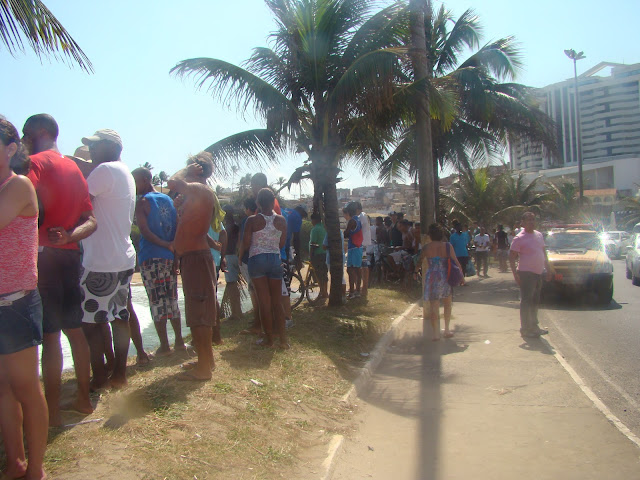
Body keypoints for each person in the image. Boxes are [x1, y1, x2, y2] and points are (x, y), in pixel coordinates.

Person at [22, 114, 95, 425]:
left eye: (25, 134)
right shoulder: (74, 169)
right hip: (68, 255)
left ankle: (51, 412)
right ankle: (83, 399)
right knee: (75, 331)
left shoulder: (36, 163)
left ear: (38, 133)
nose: (23, 140)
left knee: (50, 337)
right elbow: (91, 220)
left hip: (44, 256)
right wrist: (69, 235)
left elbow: (24, 198)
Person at [0, 117, 48, 480]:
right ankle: (15, 462)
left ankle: (36, 469)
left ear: (11, 148)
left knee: (26, 390)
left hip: (14, 304)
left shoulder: (18, 187)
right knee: (2, 389)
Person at [79, 129, 136, 390]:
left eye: (94, 145)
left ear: (109, 146)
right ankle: (119, 374)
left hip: (100, 260)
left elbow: (80, 203)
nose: (91, 150)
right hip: (122, 257)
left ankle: (101, 376)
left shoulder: (103, 172)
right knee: (120, 317)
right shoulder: (123, 171)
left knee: (91, 323)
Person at [168, 163, 217, 381]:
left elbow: (173, 182)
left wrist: (185, 170)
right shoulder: (196, 194)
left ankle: (204, 367)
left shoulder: (199, 190)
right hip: (193, 258)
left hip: (196, 259)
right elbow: (189, 226)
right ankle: (206, 361)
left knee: (199, 316)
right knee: (198, 312)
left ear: (197, 171)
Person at [131, 167, 186, 357]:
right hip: (169, 257)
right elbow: (178, 226)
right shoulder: (168, 201)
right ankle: (179, 341)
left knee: (156, 301)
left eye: (136, 181)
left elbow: (145, 231)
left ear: (146, 180)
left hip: (151, 256)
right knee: (171, 299)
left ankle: (164, 346)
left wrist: (165, 244)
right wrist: (175, 253)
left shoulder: (143, 202)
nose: (134, 186)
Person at [238, 188, 289, 349]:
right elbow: (281, 244)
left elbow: (246, 243)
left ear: (258, 203)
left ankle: (268, 339)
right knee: (276, 302)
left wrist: (240, 257)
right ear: (273, 201)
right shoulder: (281, 220)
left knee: (264, 302)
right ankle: (282, 340)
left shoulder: (252, 221)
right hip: (275, 259)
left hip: (257, 259)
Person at [509, 212, 551, 338]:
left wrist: (548, 270)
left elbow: (543, 253)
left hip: (538, 273)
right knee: (527, 301)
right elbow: (511, 257)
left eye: (533, 220)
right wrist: (515, 275)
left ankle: (534, 326)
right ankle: (525, 328)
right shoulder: (519, 238)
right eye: (528, 220)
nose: (531, 222)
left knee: (535, 301)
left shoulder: (538, 235)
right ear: (523, 222)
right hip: (526, 273)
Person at [421, 223, 464, 341]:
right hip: (445, 277)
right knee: (447, 304)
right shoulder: (447, 246)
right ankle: (446, 329)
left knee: (434, 306)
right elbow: (456, 261)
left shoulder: (426, 248)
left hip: (432, 278)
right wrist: (461, 276)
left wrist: (415, 272)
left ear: (430, 235)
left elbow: (419, 261)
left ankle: (435, 334)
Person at [238, 197, 262, 335]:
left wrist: (240, 257)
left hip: (249, 259)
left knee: (253, 291)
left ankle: (257, 322)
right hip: (262, 258)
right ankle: (259, 321)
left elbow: (244, 241)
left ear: (248, 209)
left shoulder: (247, 221)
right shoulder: (262, 219)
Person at [222, 205, 243, 321]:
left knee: (231, 285)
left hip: (229, 256)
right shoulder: (236, 226)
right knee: (234, 285)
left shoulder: (226, 227)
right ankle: (238, 311)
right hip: (237, 255)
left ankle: (236, 312)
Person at [343, 204, 363, 298]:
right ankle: (357, 290)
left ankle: (352, 292)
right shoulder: (358, 220)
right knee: (357, 270)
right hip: (358, 247)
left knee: (350, 270)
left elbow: (346, 233)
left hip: (353, 247)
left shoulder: (352, 221)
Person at [353, 202, 371, 298]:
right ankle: (363, 288)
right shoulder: (364, 215)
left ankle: (362, 288)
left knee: (362, 266)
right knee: (363, 265)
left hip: (361, 245)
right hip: (364, 244)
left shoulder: (360, 217)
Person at [309, 212, 328, 299]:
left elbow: (313, 243)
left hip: (317, 254)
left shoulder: (315, 229)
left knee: (319, 275)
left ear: (314, 220)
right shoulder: (324, 228)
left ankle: (322, 292)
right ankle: (325, 292)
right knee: (324, 274)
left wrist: (311, 256)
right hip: (325, 254)